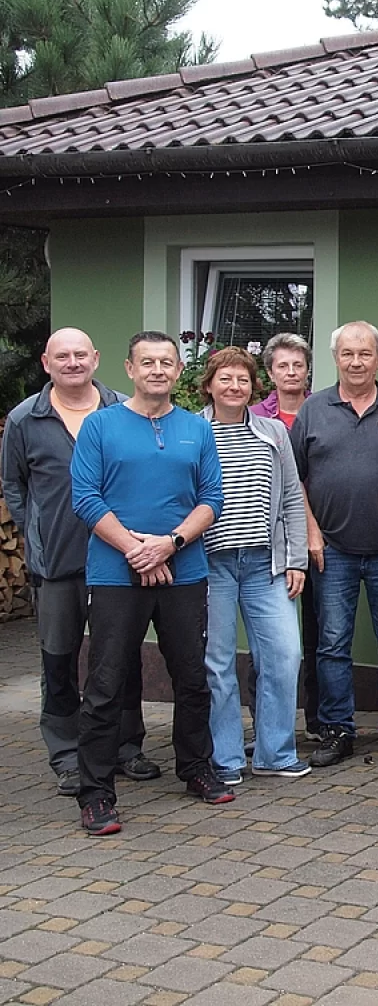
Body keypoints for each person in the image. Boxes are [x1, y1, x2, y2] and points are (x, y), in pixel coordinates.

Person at [70, 330, 230, 836]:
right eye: (147, 362)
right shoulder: (100, 426)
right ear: (129, 368)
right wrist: (136, 550)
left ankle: (196, 768)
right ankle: (96, 793)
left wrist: (170, 544)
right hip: (115, 573)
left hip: (184, 571)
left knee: (192, 677)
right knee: (106, 683)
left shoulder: (196, 429)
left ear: (178, 371)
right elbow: (85, 497)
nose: (157, 370)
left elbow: (211, 498)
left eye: (166, 362)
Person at [1, 328, 159, 797]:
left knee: (121, 657)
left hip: (117, 558)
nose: (72, 363)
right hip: (57, 564)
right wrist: (37, 532)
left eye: (80, 355)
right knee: (59, 660)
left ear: (96, 358)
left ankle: (125, 747)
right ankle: (68, 755)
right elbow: (14, 486)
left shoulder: (122, 411)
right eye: (62, 356)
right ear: (46, 363)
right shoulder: (26, 419)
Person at [290, 321, 378, 767]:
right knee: (331, 644)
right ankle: (336, 730)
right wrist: (311, 532)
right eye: (348, 353)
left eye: (365, 353)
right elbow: (294, 479)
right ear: (335, 358)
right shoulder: (313, 409)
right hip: (332, 549)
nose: (356, 362)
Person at [199, 347, 309, 783]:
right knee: (217, 662)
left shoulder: (272, 432)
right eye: (225, 379)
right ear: (209, 385)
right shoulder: (192, 431)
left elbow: (292, 497)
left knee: (285, 654)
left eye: (242, 379)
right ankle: (226, 758)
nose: (234, 386)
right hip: (211, 564)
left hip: (267, 564)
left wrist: (296, 559)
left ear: (253, 386)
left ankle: (275, 753)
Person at [250, 332, 318, 740]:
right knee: (268, 640)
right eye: (282, 366)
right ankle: (265, 727)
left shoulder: (323, 409)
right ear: (270, 372)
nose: (291, 372)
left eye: (298, 365)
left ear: (308, 370)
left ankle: (316, 721)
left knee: (315, 633)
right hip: (269, 541)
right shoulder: (254, 415)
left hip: (320, 535)